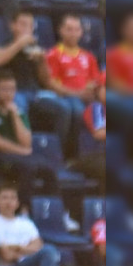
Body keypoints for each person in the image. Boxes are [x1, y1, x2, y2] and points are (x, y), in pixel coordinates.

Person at [0, 70, 59, 212]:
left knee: (48, 168)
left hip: (16, 157)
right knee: (27, 166)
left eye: (12, 89)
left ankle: (55, 211)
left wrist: (15, 115)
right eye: (4, 89)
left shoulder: (18, 111)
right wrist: (23, 152)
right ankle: (24, 210)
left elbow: (26, 142)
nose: (9, 93)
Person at [0, 10, 70, 143]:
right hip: (14, 92)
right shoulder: (5, 44)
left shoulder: (35, 48)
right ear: (13, 26)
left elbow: (45, 80)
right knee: (20, 106)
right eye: (23, 24)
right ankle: (23, 148)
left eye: (30, 25)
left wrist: (42, 60)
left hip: (35, 92)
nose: (27, 29)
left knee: (64, 108)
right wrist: (20, 43)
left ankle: (56, 150)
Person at [46, 14, 101, 158]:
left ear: (81, 32)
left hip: (87, 97)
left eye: (77, 29)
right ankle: (68, 154)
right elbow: (52, 84)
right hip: (65, 97)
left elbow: (96, 80)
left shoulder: (88, 56)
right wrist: (78, 93)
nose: (73, 33)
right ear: (60, 31)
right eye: (69, 29)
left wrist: (92, 89)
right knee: (77, 110)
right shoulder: (54, 54)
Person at [0, 184, 61, 266]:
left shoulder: (26, 223)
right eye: (4, 198)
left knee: (49, 250)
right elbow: (7, 256)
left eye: (12, 198)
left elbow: (38, 245)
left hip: (30, 262)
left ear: (17, 203)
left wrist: (18, 248)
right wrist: (28, 249)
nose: (9, 202)